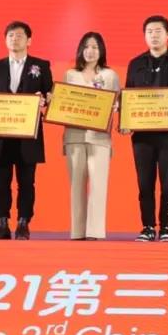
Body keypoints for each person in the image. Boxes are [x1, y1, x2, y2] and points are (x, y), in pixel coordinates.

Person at [0, 21, 53, 240]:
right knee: (1, 182)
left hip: (28, 135)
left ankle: (23, 223)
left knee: (26, 182)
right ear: (5, 40)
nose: (14, 39)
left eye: (19, 35)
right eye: (10, 35)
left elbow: (50, 96)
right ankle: (1, 223)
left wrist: (45, 100)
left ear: (29, 40)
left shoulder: (41, 65)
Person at [124, 15, 168, 242]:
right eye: (149, 32)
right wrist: (126, 122)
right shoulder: (135, 63)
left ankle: (167, 227)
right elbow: (128, 96)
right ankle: (148, 226)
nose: (154, 35)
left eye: (158, 31)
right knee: (145, 183)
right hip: (142, 135)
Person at [63, 32, 120, 241]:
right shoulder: (70, 75)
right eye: (86, 47)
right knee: (76, 185)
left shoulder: (110, 75)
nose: (90, 51)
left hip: (99, 137)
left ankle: (95, 231)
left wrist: (116, 106)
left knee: (98, 184)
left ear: (101, 51)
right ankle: (77, 231)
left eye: (95, 47)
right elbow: (62, 102)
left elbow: (118, 102)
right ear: (81, 50)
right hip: (74, 136)